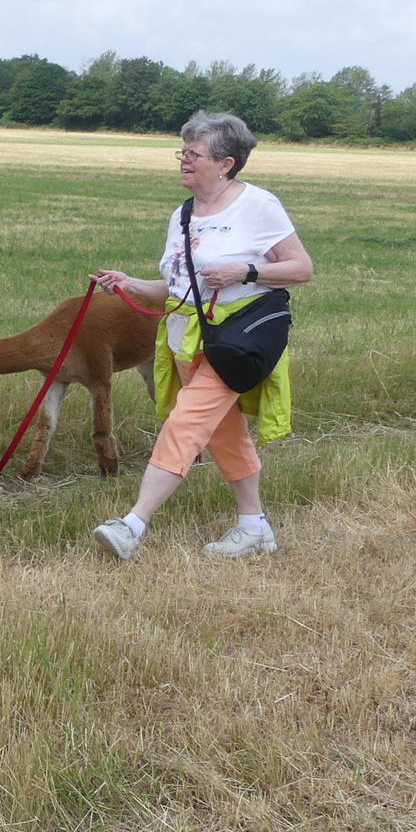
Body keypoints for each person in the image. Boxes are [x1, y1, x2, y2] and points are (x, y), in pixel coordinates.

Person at [88, 110, 313, 562]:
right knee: (223, 433)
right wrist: (131, 284)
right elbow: (177, 287)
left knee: (185, 424)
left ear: (225, 163)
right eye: (182, 152)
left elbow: (301, 268)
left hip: (234, 340)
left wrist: (246, 270)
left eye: (193, 154)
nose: (183, 161)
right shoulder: (184, 213)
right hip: (186, 341)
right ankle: (254, 527)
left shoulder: (258, 205)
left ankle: (133, 525)